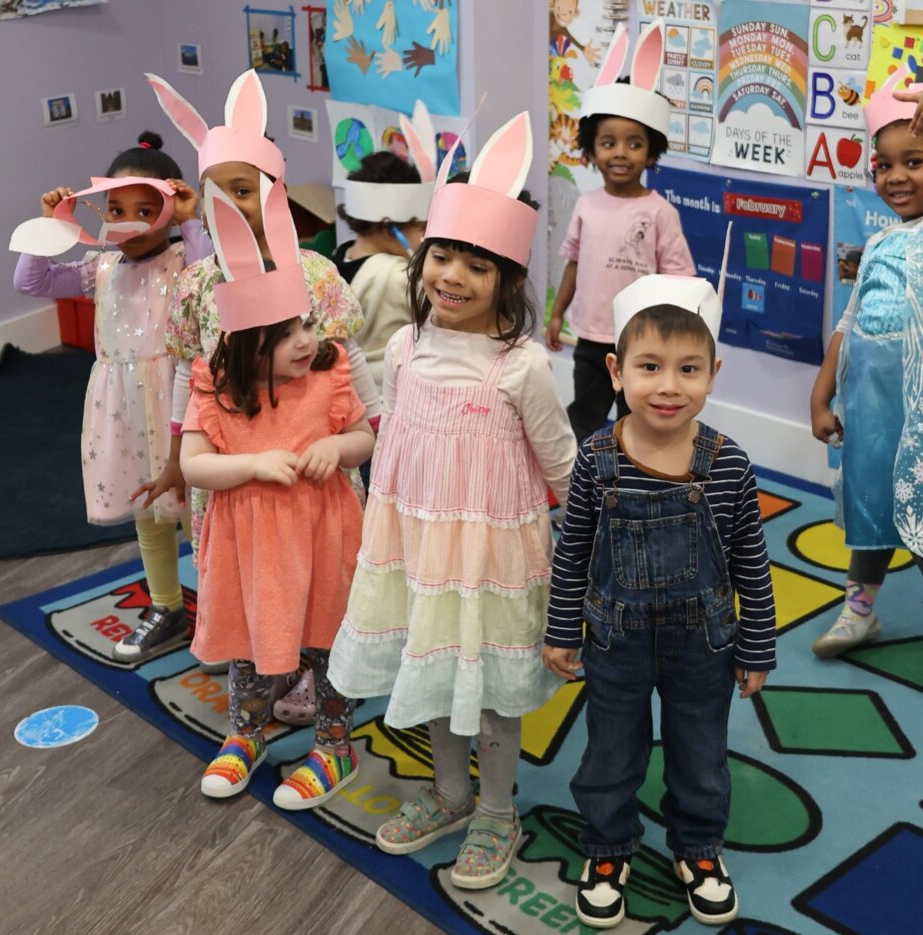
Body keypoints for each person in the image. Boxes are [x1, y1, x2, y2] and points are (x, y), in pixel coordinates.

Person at [328, 112, 577, 890]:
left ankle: (498, 807)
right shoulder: (402, 347)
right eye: (443, 254)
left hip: (495, 557)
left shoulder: (521, 366)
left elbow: (565, 469)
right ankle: (450, 792)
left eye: (478, 262)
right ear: (419, 254)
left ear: (508, 278)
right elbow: (397, 439)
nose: (453, 276)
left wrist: (584, 559)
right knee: (433, 669)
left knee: (494, 692)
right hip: (420, 547)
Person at [544, 275, 775, 929]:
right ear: (616, 370)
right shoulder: (594, 459)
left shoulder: (729, 463)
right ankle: (609, 846)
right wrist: (562, 628)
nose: (669, 385)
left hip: (705, 639)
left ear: (713, 372)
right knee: (611, 748)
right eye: (649, 366)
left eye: (688, 368)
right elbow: (572, 550)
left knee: (700, 747)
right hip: (614, 636)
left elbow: (752, 563)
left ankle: (699, 847)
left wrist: (758, 641)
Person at [151, 69, 377, 710]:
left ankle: (316, 675)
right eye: (215, 193)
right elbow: (184, 375)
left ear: (275, 192)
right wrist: (176, 459)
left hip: (315, 464)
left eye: (245, 191)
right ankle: (263, 671)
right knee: (252, 582)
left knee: (319, 581)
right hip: (237, 472)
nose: (231, 206)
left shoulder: (315, 273)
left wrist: (374, 439)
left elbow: (349, 364)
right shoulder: (197, 284)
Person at [181, 161, 374, 805]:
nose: (306, 341)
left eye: (308, 325)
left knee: (325, 642)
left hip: (323, 535)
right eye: (286, 334)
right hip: (252, 545)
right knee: (248, 642)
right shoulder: (214, 388)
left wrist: (335, 446)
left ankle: (333, 742)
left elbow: (366, 438)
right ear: (240, 345)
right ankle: (246, 734)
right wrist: (252, 466)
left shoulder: (330, 374)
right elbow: (193, 464)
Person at [809, 70, 923, 702]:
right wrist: (822, 391)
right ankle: (862, 608)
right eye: (884, 165)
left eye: (915, 161)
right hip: (873, 412)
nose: (896, 177)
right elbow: (851, 320)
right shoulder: (880, 240)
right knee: (870, 514)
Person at [13, 132, 206, 663]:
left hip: (178, 403)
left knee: (199, 512)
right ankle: (167, 606)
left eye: (147, 210)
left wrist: (192, 220)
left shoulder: (184, 263)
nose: (130, 222)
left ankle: (217, 610)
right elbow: (31, 282)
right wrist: (51, 228)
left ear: (168, 210)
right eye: (117, 209)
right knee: (147, 508)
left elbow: (215, 276)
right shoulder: (100, 268)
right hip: (119, 407)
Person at [546, 21, 695, 445]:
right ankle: (589, 485)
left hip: (641, 341)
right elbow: (575, 263)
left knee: (642, 423)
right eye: (608, 142)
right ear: (591, 151)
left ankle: (639, 482)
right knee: (587, 421)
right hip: (591, 340)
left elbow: (678, 281)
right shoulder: (586, 204)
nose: (620, 153)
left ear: (652, 150)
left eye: (634, 143)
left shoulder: (660, 212)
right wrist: (556, 315)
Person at [333, 102, 436, 393]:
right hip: (386, 393)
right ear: (389, 225)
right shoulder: (399, 274)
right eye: (419, 227)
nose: (424, 236)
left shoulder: (340, 254)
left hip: (344, 392)